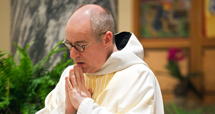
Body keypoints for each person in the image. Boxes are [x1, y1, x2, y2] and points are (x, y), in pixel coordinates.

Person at [36, 4, 164, 114]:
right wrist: (68, 111)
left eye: (81, 46)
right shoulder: (72, 76)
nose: (72, 55)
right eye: (69, 45)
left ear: (106, 39)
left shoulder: (137, 77)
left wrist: (84, 106)